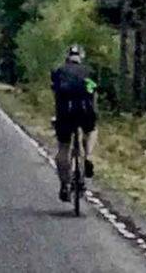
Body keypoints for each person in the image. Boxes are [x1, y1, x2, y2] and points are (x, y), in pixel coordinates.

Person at [51, 44, 97, 202]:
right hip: (85, 110)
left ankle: (65, 184)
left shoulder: (59, 71)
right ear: (81, 57)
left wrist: (56, 116)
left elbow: (56, 93)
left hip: (65, 112)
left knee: (63, 148)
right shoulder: (89, 71)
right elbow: (92, 92)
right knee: (91, 131)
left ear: (67, 57)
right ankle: (88, 156)